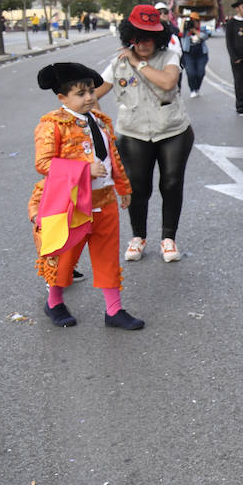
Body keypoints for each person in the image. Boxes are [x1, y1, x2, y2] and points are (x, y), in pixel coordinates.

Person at [29, 62, 144, 330]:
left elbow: (113, 157)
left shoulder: (101, 121)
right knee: (65, 255)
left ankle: (114, 310)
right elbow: (43, 163)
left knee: (107, 255)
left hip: (104, 199)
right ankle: (55, 302)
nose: (90, 97)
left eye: (91, 91)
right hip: (70, 203)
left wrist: (123, 187)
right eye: (80, 94)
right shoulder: (52, 125)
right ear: (62, 98)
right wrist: (83, 170)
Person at [96, 4, 195, 264]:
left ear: (159, 37)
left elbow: (167, 82)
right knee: (138, 187)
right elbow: (93, 94)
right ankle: (138, 237)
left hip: (172, 130)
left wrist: (138, 63)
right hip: (133, 133)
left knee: (171, 183)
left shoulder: (169, 56)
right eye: (137, 38)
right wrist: (99, 124)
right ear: (130, 37)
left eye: (149, 37)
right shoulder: (117, 64)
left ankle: (168, 238)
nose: (143, 43)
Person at [179, 17, 212, 98]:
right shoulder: (185, 30)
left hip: (201, 54)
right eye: (193, 21)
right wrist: (183, 25)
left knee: (201, 73)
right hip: (188, 54)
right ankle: (192, 89)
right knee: (191, 73)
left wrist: (195, 30)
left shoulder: (202, 28)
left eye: (196, 21)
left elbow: (205, 36)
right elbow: (180, 35)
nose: (194, 23)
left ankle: (197, 88)